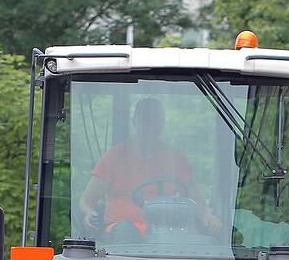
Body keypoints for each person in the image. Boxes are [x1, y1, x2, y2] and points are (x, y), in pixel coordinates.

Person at [78, 97, 220, 239]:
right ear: (135, 122)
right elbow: (86, 202)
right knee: (126, 231)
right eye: (146, 120)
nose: (151, 126)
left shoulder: (175, 159)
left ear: (162, 124)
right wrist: (89, 214)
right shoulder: (113, 157)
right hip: (118, 236)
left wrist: (208, 217)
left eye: (156, 120)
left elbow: (197, 202)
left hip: (166, 234)